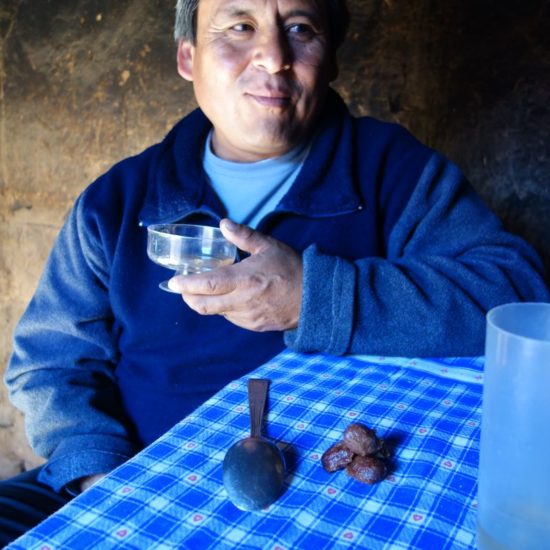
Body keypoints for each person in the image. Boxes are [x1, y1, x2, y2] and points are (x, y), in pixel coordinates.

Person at [1, 0, 548, 543]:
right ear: (188, 56)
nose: (274, 57)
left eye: (300, 29)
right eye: (239, 26)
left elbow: (515, 293)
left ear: (330, 57)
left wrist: (315, 298)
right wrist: (105, 481)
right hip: (132, 477)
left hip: (333, 500)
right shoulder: (116, 202)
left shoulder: (393, 171)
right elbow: (49, 364)